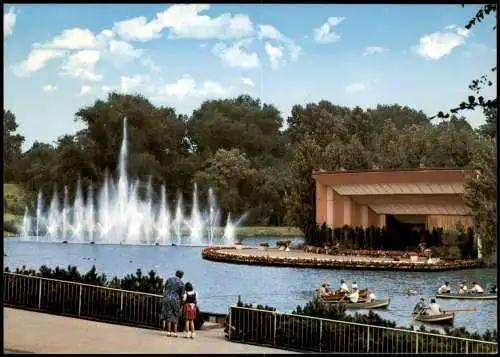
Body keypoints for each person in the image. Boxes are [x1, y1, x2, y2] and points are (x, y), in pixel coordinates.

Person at [161, 270, 185, 337]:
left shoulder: (169, 279)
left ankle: (169, 332)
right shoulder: (181, 283)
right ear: (181, 276)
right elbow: (182, 295)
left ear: (176, 274)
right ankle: (175, 332)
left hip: (167, 298)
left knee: (169, 315)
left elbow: (165, 288)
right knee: (175, 315)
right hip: (175, 300)